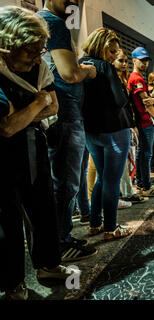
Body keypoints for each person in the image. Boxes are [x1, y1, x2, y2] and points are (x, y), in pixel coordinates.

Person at [0, 6, 80, 300]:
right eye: (30, 51)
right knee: (6, 219)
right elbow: (7, 127)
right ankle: (12, 283)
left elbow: (54, 107)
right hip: (4, 154)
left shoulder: (38, 66)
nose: (37, 57)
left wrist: (25, 112)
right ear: (7, 45)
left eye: (39, 50)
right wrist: (36, 105)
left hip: (34, 145)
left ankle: (48, 265)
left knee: (42, 207)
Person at [37, 0, 98, 261]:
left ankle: (57, 239)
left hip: (58, 114)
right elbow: (70, 73)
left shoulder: (42, 20)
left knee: (60, 181)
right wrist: (89, 70)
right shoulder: (53, 23)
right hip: (65, 115)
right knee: (66, 182)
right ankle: (61, 242)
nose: (74, 0)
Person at [79, 28, 135, 240]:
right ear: (101, 47)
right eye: (111, 51)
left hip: (90, 131)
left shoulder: (80, 62)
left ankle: (95, 224)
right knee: (111, 181)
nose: (114, 56)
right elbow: (121, 100)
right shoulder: (105, 67)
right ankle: (111, 228)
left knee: (102, 178)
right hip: (114, 130)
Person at [128, 47, 154, 197]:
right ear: (134, 60)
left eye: (146, 61)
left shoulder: (134, 78)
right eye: (141, 60)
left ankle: (142, 184)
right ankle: (147, 186)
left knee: (141, 154)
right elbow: (146, 103)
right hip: (144, 122)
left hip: (141, 122)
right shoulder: (137, 79)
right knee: (146, 155)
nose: (144, 64)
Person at [113, 49, 147, 204]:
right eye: (121, 60)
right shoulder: (114, 78)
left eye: (125, 61)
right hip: (115, 125)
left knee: (125, 161)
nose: (124, 64)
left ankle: (126, 192)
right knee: (117, 163)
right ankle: (121, 194)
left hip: (125, 124)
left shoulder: (123, 79)